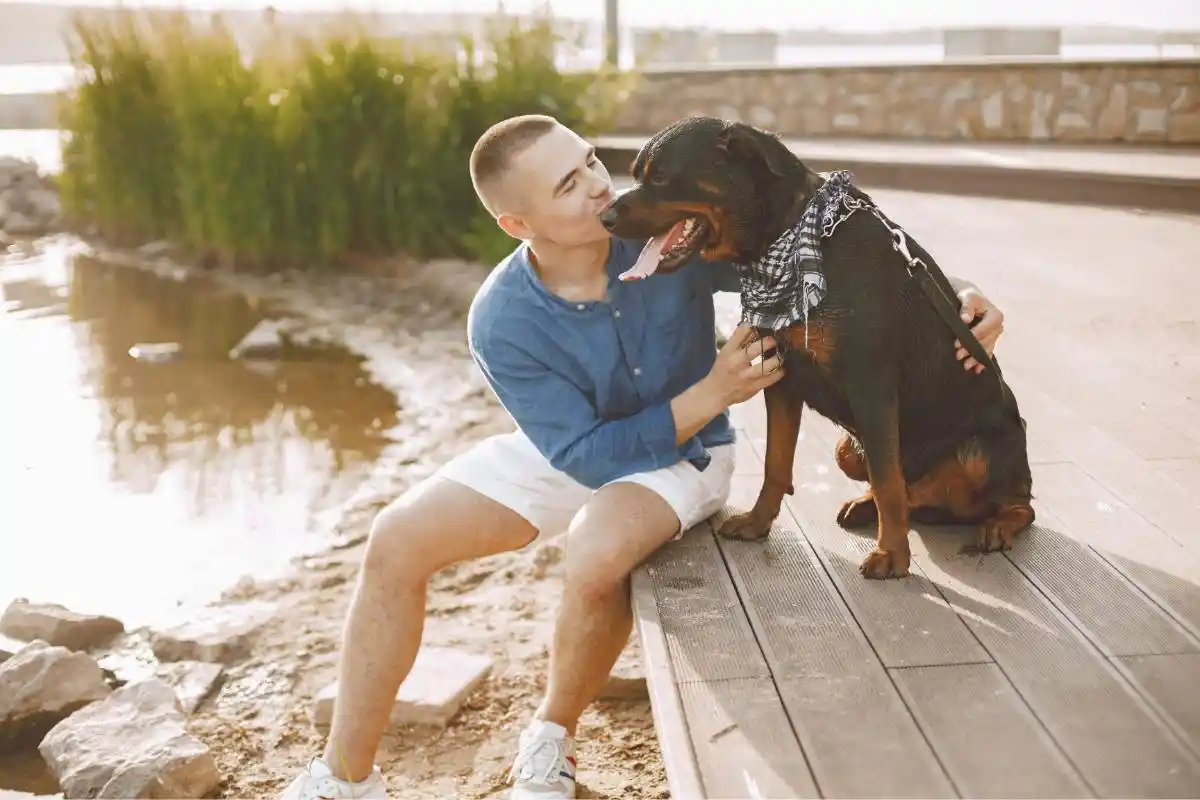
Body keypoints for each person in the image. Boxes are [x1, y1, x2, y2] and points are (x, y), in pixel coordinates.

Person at [281, 114, 1007, 800]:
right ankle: (344, 778)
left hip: (686, 454)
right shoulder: (501, 318)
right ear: (517, 224)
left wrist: (957, 294)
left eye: (590, 159)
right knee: (394, 538)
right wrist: (716, 387)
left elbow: (836, 258)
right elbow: (580, 454)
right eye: (569, 184)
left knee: (596, 548)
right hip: (580, 446)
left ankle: (550, 738)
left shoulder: (673, 239)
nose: (600, 184)